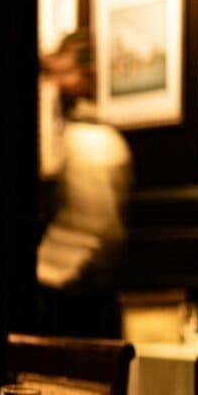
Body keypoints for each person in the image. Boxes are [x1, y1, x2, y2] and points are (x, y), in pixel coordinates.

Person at [36, 29, 133, 295]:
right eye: (53, 74)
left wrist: (46, 274)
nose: (56, 82)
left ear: (86, 74)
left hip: (76, 282)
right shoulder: (88, 135)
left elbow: (91, 229)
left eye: (65, 72)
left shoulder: (89, 139)